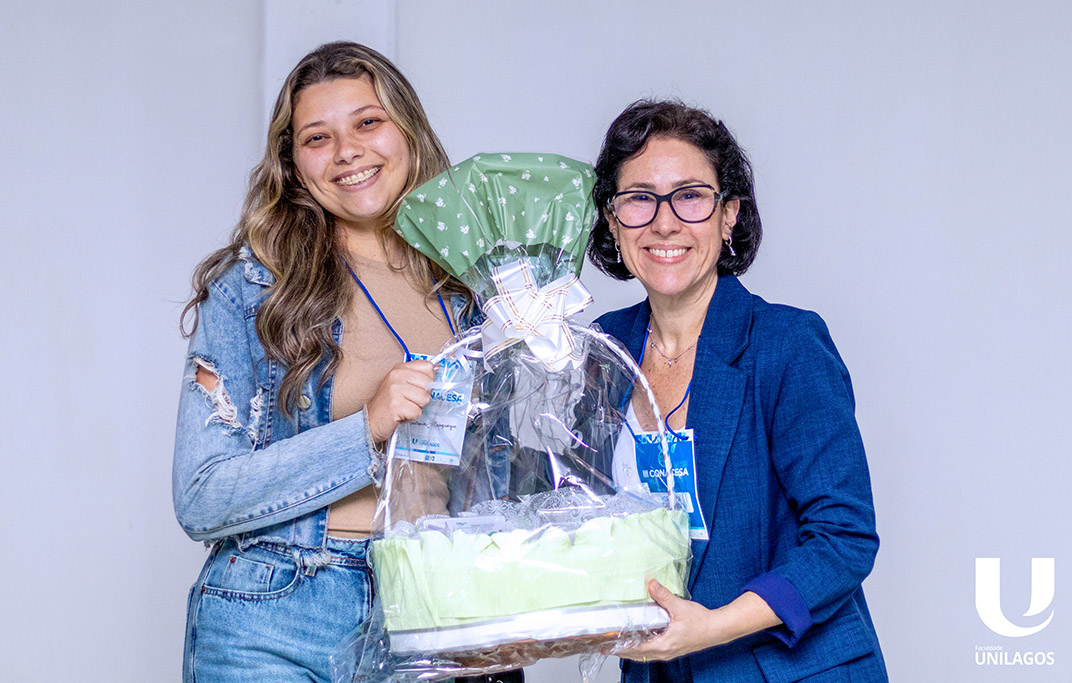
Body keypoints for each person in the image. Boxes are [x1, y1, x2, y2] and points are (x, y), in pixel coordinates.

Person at [173, 41, 520, 683]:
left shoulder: (476, 287)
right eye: (317, 137)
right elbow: (201, 497)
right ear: (292, 164)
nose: (347, 152)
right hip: (277, 614)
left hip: (431, 607)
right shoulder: (253, 287)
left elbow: (498, 481)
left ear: (408, 131)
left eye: (368, 122)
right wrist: (368, 428)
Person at [588, 100, 888, 682]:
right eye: (639, 198)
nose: (664, 222)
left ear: (729, 215)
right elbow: (567, 501)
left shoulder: (786, 343)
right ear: (612, 218)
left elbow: (844, 538)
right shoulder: (601, 347)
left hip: (787, 671)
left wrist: (713, 626)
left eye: (690, 196)